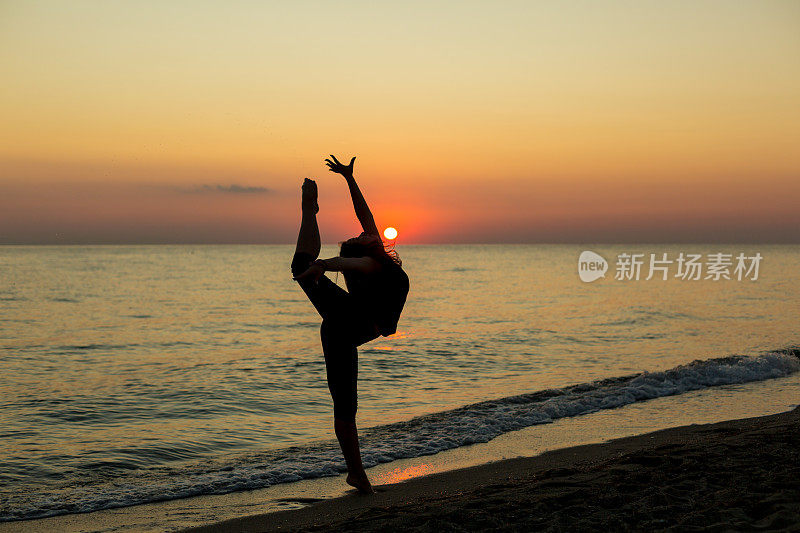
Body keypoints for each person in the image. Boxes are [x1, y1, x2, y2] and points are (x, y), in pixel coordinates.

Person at [290, 154, 409, 494]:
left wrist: (349, 178)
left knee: (345, 405)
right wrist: (325, 265)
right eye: (362, 236)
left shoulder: (378, 263)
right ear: (366, 249)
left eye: (365, 235)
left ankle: (357, 474)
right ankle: (357, 474)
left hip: (349, 322)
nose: (366, 232)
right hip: (344, 324)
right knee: (345, 405)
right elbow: (352, 259)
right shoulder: (372, 262)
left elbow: (364, 214)